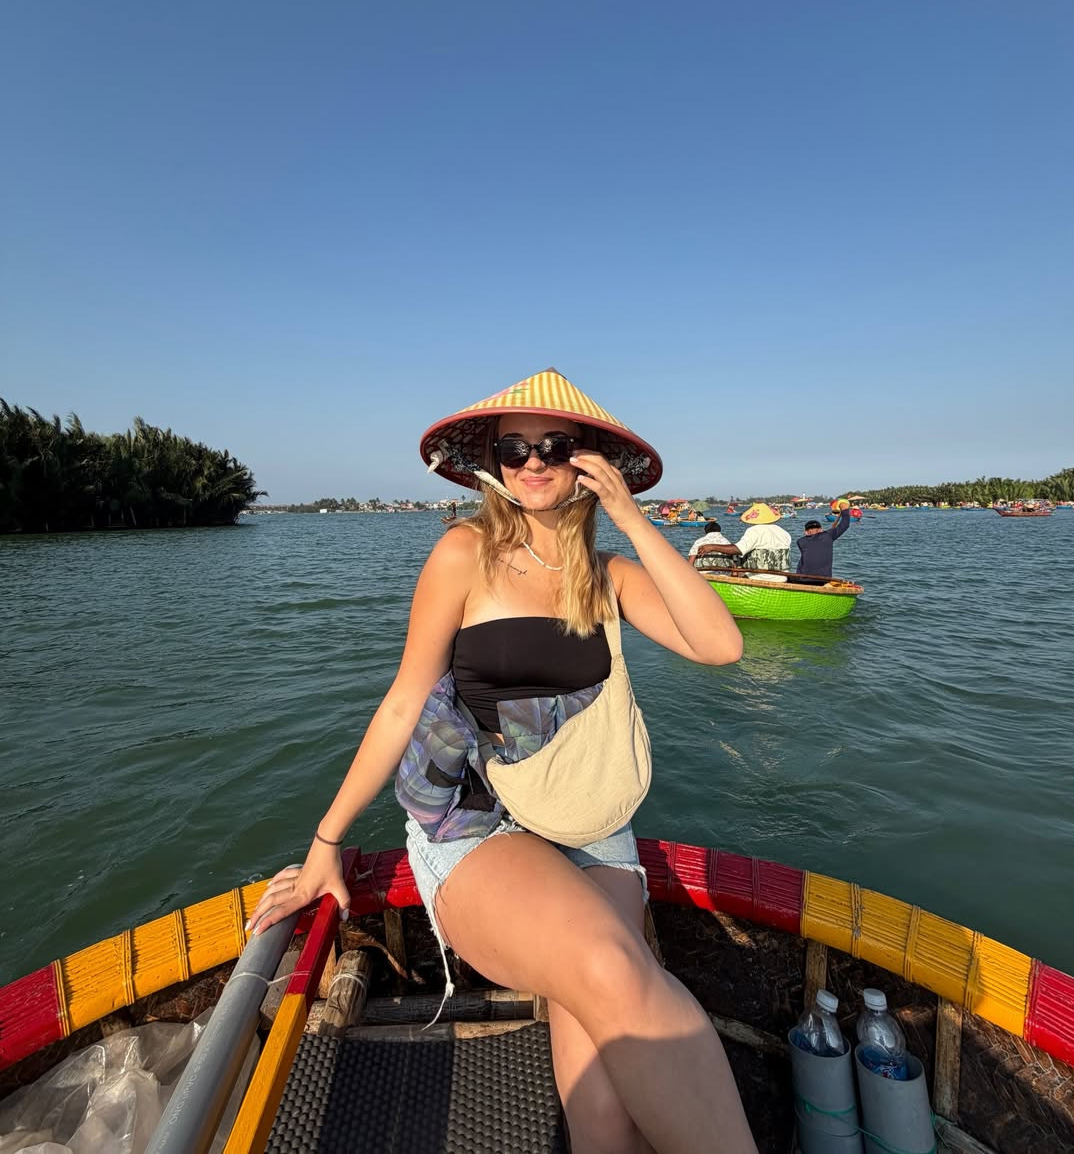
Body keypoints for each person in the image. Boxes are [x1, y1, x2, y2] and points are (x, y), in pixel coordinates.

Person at [247, 368, 756, 1154]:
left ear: (589, 458)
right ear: (491, 461)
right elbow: (402, 703)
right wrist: (326, 840)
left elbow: (721, 646)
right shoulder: (464, 553)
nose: (533, 462)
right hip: (479, 822)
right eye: (513, 448)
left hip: (591, 828)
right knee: (610, 967)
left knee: (607, 1097)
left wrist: (631, 517)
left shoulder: (610, 577)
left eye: (555, 445)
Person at [731, 502, 794, 570]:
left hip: (759, 576)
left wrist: (717, 547)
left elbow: (738, 550)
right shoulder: (784, 532)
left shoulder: (754, 530)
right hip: (782, 576)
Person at [796, 509, 851, 577]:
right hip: (824, 580)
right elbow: (845, 524)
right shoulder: (828, 536)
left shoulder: (800, 541)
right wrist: (845, 510)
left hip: (803, 579)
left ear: (806, 532)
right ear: (821, 530)